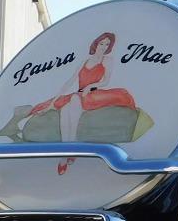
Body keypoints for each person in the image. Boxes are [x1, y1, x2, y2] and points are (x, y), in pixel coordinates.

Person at [21, 31, 137, 174]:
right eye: (101, 43)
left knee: (74, 100)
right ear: (96, 44)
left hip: (94, 94)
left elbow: (106, 80)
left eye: (107, 44)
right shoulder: (85, 61)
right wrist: (54, 101)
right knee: (65, 110)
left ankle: (66, 155)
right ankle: (69, 151)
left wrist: (90, 86)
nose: (104, 47)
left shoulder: (108, 60)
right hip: (80, 94)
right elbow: (70, 81)